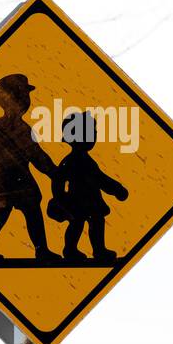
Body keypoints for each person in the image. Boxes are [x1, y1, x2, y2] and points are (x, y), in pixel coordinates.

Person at [0, 73, 61, 260]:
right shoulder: (0, 127)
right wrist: (53, 172)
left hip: (16, 181)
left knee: (25, 212)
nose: (26, 101)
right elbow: (36, 156)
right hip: (7, 182)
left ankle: (40, 249)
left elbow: (37, 155)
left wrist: (53, 172)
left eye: (26, 97)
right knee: (5, 214)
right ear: (9, 99)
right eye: (22, 96)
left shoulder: (21, 128)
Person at [46, 110, 128, 262]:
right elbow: (59, 179)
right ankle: (71, 249)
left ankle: (98, 250)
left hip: (91, 200)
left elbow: (100, 179)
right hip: (79, 201)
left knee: (95, 222)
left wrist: (116, 188)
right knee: (78, 223)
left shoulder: (83, 160)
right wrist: (60, 198)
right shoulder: (73, 161)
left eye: (94, 132)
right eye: (91, 132)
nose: (94, 136)